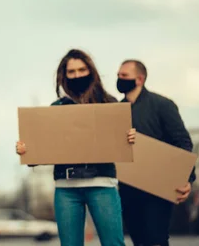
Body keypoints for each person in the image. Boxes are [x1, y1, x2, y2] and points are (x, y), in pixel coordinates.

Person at [15, 49, 136, 246]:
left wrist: (129, 137)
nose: (77, 75)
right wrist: (26, 151)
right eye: (72, 72)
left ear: (91, 71)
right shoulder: (56, 108)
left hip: (102, 184)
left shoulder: (109, 104)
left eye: (81, 69)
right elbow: (43, 150)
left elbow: (121, 142)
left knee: (113, 243)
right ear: (64, 76)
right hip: (66, 188)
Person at [116, 59, 196, 246]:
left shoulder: (163, 105)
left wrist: (186, 179)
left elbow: (183, 142)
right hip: (128, 189)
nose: (119, 79)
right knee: (139, 240)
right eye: (118, 76)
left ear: (140, 79)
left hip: (158, 189)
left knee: (156, 240)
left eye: (124, 76)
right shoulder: (117, 111)